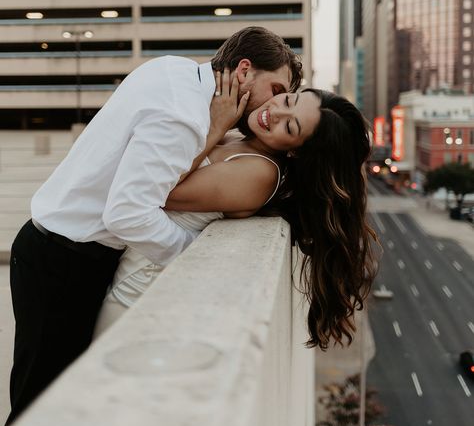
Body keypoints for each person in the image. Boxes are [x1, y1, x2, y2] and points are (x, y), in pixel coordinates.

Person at [5, 26, 302, 426]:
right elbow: (127, 214)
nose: (274, 103)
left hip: (53, 248)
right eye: (276, 89)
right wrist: (193, 253)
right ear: (244, 71)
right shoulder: (185, 118)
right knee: (39, 411)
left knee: (48, 398)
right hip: (64, 263)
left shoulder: (170, 69)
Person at [95, 78, 378, 353]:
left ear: (295, 151)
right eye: (288, 101)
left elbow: (157, 191)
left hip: (136, 296)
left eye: (290, 126)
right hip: (126, 267)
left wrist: (217, 126)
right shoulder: (240, 139)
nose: (275, 112)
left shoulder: (259, 174)